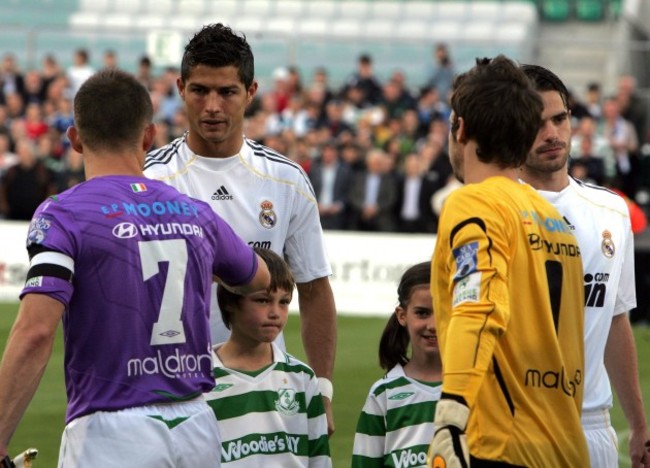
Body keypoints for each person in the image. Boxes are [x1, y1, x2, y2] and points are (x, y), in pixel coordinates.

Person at [0, 68, 271, 468]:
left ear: (75, 140)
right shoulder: (196, 213)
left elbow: (37, 331)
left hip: (112, 430)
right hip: (196, 424)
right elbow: (258, 278)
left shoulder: (64, 214)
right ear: (148, 137)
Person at [143, 23, 337, 434]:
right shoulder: (149, 181)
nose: (212, 106)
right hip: (171, 397)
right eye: (200, 90)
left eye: (227, 92)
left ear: (250, 92)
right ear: (180, 88)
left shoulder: (285, 181)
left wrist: (321, 390)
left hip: (263, 395)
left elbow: (316, 288)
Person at [427, 55, 589, 467]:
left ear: (460, 127)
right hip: (565, 446)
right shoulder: (554, 221)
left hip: (499, 445)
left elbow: (477, 305)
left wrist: (450, 417)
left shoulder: (472, 203)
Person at [519, 63, 650, 468]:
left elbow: (614, 319)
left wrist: (639, 425)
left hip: (593, 427)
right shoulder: (495, 209)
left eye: (559, 118)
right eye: (535, 123)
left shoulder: (611, 210)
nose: (552, 133)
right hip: (517, 426)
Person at [205, 248, 331, 467]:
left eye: (284, 302)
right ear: (230, 302)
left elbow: (319, 459)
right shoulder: (201, 379)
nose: (275, 313)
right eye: (263, 300)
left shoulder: (302, 378)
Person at [352, 261, 441, 468]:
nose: (433, 325)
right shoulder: (384, 393)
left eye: (443, 312)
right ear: (402, 315)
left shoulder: (476, 388)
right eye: (422, 313)